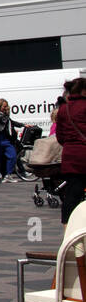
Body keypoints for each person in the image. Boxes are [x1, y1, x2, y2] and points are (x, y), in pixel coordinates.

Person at [54, 77, 86, 224]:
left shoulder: (63, 109)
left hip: (70, 157)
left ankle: (68, 230)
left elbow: (60, 137)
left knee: (72, 196)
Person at [0, 98, 26, 183]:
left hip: (6, 139)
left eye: (6, 106)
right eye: (4, 106)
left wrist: (23, 125)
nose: (6, 107)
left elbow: (12, 122)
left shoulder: (5, 116)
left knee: (13, 155)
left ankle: (8, 175)